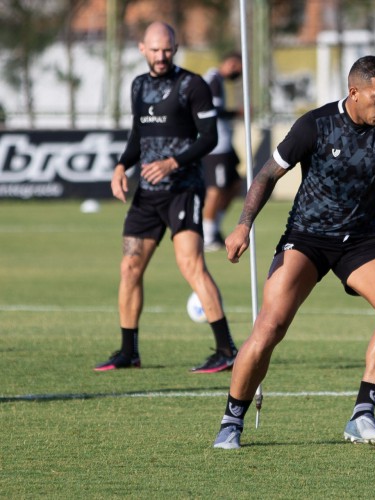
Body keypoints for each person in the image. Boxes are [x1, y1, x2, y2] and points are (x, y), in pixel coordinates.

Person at [212, 55, 375, 449]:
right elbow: (267, 174)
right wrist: (243, 224)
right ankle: (231, 420)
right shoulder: (315, 125)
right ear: (353, 92)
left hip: (360, 238)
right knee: (270, 326)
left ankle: (362, 414)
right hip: (306, 237)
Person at [94, 21, 237, 374]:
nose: (161, 56)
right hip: (147, 194)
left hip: (183, 191)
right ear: (142, 48)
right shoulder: (139, 85)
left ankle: (226, 349)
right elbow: (138, 135)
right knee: (129, 267)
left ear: (175, 48)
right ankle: (129, 352)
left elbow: (210, 138)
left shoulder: (193, 85)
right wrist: (121, 166)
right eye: (155, 50)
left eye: (168, 50)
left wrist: (173, 162)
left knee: (191, 265)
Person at [202, 52, 244, 251]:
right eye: (239, 68)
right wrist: (238, 112)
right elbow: (213, 111)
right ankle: (207, 235)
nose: (239, 73)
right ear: (231, 63)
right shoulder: (213, 81)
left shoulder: (217, 80)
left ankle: (215, 226)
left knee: (234, 184)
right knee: (215, 189)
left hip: (225, 143)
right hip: (215, 145)